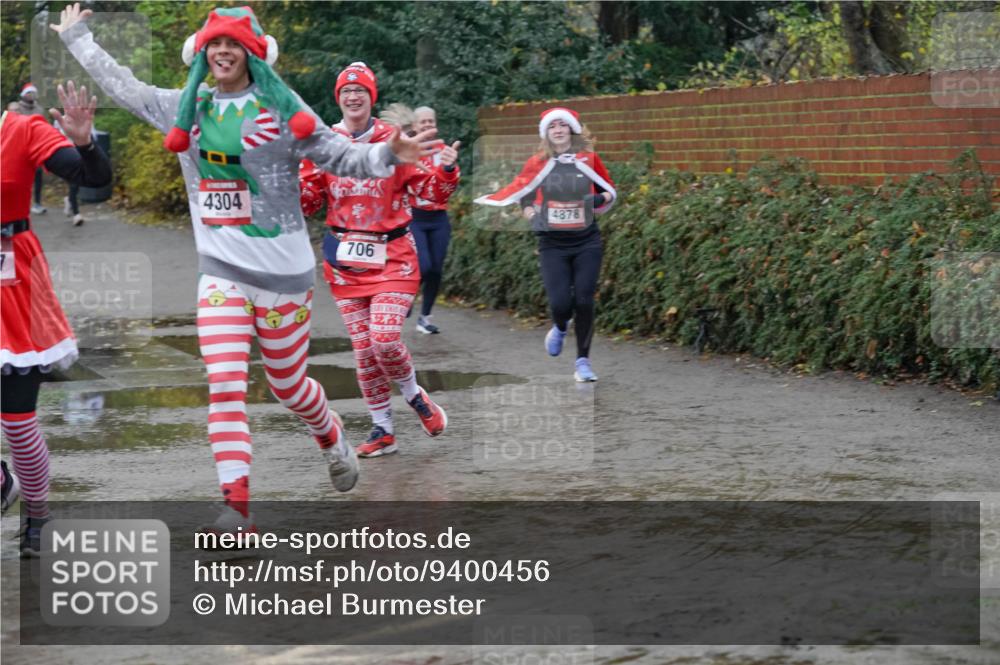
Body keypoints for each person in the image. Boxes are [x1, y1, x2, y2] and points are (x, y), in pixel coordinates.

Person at [52, 3, 439, 535]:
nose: (224, 52)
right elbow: (125, 85)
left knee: (288, 385)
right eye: (215, 44)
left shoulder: (282, 110)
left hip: (283, 277)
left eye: (233, 44)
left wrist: (388, 155)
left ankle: (330, 435)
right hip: (221, 271)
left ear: (253, 52)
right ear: (204, 53)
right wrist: (78, 39)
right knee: (226, 384)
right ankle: (236, 511)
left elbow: (339, 157)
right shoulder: (184, 109)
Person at [300, 66, 458, 458]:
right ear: (338, 97)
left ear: (372, 97)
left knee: (384, 338)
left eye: (361, 91)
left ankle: (415, 396)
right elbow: (309, 203)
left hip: (394, 257)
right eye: (346, 91)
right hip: (344, 262)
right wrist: (293, 178)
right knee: (363, 350)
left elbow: (430, 191)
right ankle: (382, 429)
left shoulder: (393, 141)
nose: (353, 97)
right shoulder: (324, 142)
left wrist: (448, 169)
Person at [1, 81, 113, 555]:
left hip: (13, 279)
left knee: (16, 419)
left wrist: (85, 142)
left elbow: (93, 179)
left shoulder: (23, 129)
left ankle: (38, 515)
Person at [474, 107, 616, 382]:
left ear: (572, 130)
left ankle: (583, 362)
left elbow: (608, 190)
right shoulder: (538, 162)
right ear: (546, 134)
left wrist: (596, 201)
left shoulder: (588, 158)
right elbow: (524, 195)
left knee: (585, 299)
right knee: (561, 303)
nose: (559, 130)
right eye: (554, 127)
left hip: (586, 240)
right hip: (552, 243)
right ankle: (561, 327)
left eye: (564, 125)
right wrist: (533, 217)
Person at [409, 106, 460, 334]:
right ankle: (406, 299)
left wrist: (449, 167)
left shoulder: (444, 151)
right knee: (423, 265)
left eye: (431, 122)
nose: (428, 126)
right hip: (414, 218)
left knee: (436, 270)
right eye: (423, 122)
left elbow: (452, 182)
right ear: (414, 127)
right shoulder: (408, 151)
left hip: (438, 217)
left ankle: (425, 317)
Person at [16, 83, 50, 215]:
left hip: (36, 147)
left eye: (33, 93)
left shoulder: (40, 109)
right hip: (19, 146)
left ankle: (37, 203)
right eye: (29, 93)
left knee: (38, 175)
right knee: (20, 177)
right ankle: (19, 203)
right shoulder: (17, 109)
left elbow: (44, 126)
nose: (31, 95)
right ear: (23, 95)